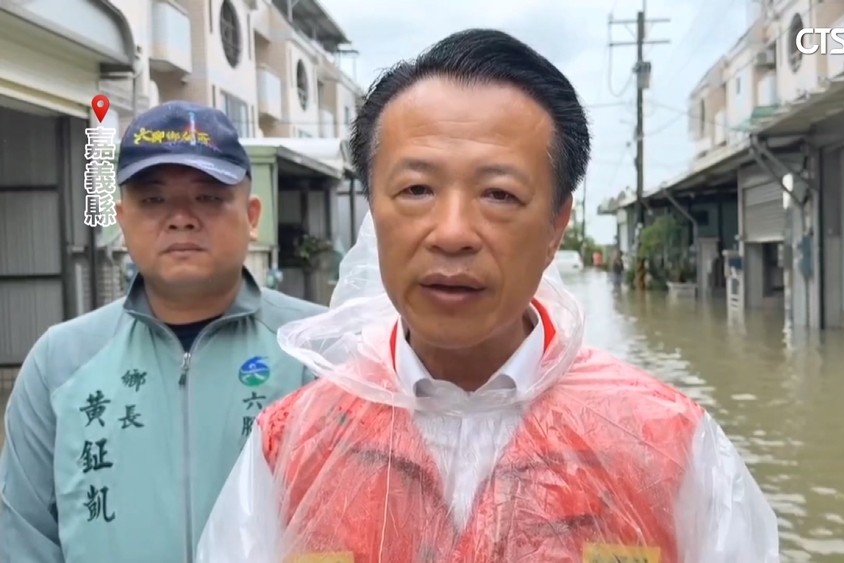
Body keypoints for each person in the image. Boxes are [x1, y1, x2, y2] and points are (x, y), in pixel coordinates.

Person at [197, 29, 779, 562]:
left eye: (499, 194)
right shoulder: (292, 447)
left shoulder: (666, 444)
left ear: (556, 226)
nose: (452, 232)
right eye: (417, 188)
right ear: (373, 210)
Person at [0, 101, 327, 563]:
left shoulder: (318, 351)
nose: (180, 217)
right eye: (153, 199)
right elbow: (23, 538)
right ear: (121, 217)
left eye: (209, 196)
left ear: (252, 216)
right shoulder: (60, 362)